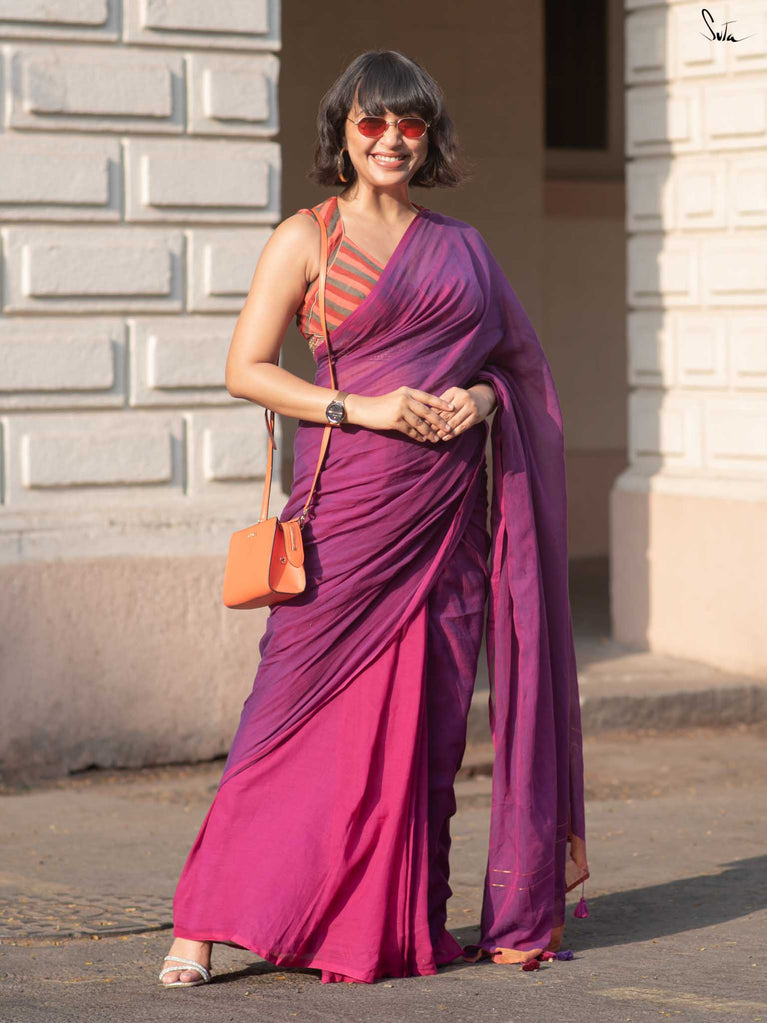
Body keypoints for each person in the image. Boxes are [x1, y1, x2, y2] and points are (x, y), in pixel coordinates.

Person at [158, 48, 589, 990]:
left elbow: (515, 368)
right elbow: (246, 369)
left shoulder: (464, 247)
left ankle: (384, 924)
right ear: (344, 134)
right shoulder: (306, 237)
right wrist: (367, 407)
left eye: (410, 123)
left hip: (444, 523)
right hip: (344, 514)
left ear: (428, 137)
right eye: (372, 122)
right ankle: (203, 921)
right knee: (284, 717)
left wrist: (481, 401)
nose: (392, 138)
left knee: (427, 732)